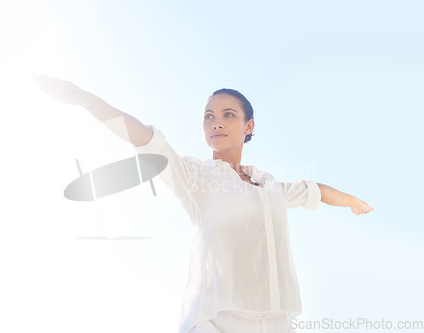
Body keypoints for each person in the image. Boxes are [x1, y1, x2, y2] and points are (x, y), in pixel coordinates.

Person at [33, 74, 374, 333]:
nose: (216, 123)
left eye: (227, 115)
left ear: (248, 126)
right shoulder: (195, 176)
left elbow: (312, 189)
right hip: (216, 321)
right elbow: (145, 138)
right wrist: (84, 99)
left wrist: (351, 201)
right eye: (209, 116)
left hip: (277, 321)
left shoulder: (269, 186)